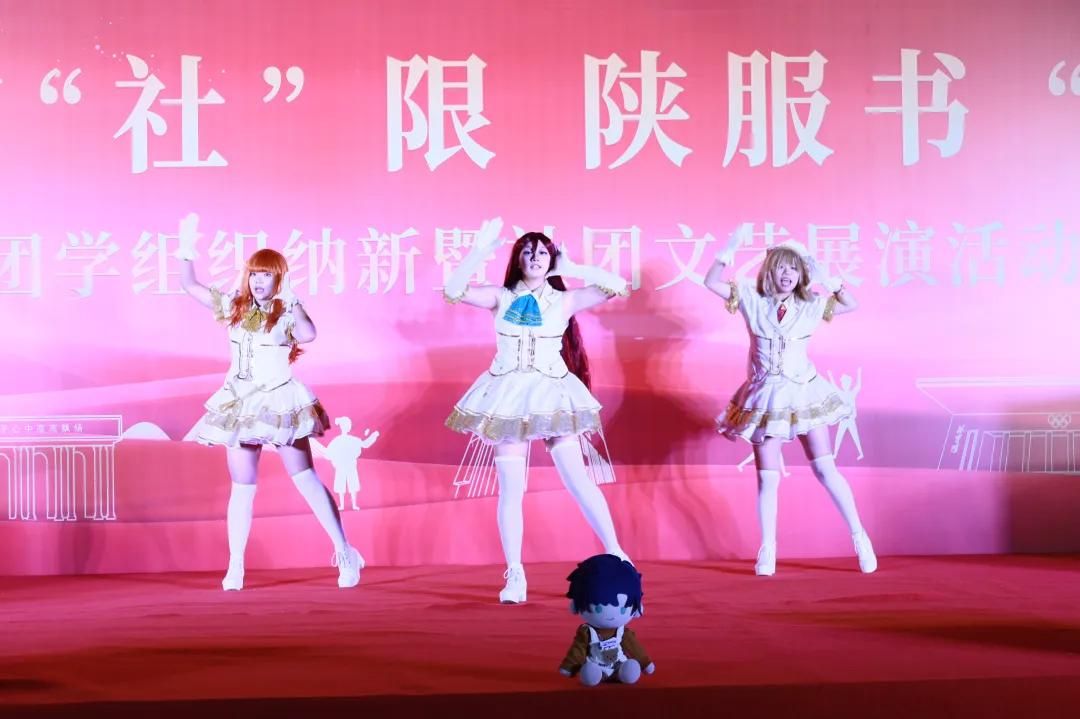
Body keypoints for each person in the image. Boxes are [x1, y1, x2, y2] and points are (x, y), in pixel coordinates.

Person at [443, 217, 631, 603]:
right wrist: (478, 252)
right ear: (517, 259)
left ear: (551, 259)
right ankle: (515, 573)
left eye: (542, 252)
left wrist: (573, 268)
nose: (535, 258)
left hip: (552, 394)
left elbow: (617, 285)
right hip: (508, 396)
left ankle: (617, 555)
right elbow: (453, 290)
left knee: (578, 480)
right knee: (511, 489)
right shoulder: (501, 297)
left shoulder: (564, 299)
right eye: (528, 252)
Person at [175, 213, 363, 591]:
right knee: (242, 486)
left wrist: (292, 302)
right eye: (254, 274)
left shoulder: (286, 311)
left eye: (267, 274)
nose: (259, 281)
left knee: (305, 478)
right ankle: (236, 567)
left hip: (278, 402)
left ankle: (344, 551)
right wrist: (185, 248)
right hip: (240, 404)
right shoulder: (234, 307)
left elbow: (308, 334)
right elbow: (190, 285)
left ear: (280, 278)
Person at [703, 228, 877, 576]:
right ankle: (768, 549)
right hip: (766, 396)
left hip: (803, 392)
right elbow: (711, 282)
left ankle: (860, 537)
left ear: (802, 274)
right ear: (769, 270)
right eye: (781, 267)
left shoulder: (811, 304)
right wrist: (727, 251)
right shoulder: (751, 298)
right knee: (768, 479)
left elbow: (851, 304)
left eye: (794, 269)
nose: (787, 274)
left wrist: (831, 281)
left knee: (825, 469)